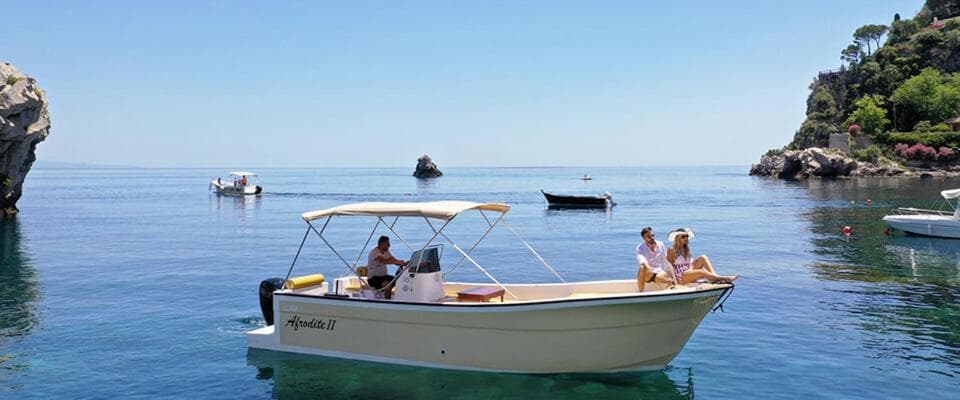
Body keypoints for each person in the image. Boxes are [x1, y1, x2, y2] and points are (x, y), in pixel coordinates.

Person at [666, 228, 738, 284]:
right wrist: (674, 282)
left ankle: (714, 276)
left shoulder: (686, 250)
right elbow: (669, 267)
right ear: (678, 238)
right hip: (681, 276)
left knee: (703, 257)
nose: (686, 238)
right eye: (683, 236)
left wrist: (693, 268)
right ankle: (723, 278)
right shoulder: (671, 250)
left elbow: (690, 264)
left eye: (687, 236)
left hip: (688, 271)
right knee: (701, 271)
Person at [636, 227, 676, 291]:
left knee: (671, 281)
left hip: (658, 272)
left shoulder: (660, 245)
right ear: (643, 238)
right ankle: (641, 292)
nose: (652, 238)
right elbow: (642, 260)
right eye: (649, 236)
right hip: (647, 273)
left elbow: (665, 261)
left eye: (653, 235)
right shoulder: (640, 248)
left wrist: (670, 273)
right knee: (642, 267)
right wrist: (650, 269)